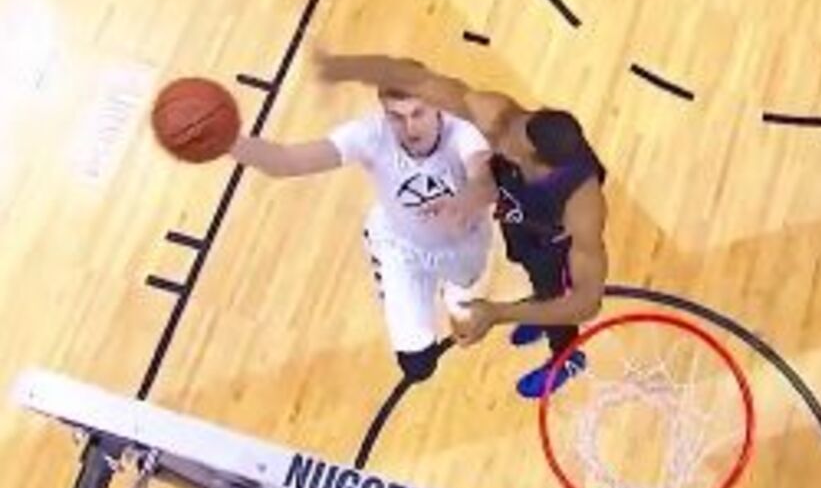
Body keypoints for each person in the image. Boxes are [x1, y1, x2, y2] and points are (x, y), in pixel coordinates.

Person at [315, 50, 607, 398]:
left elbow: (587, 302)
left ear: (541, 165)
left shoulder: (583, 203)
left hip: (553, 241)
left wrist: (498, 313)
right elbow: (418, 81)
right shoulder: (501, 118)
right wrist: (343, 67)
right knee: (528, 269)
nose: (502, 142)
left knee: (554, 289)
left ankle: (567, 357)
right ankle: (540, 311)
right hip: (518, 220)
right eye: (512, 131)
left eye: (513, 146)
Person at [229, 86, 495, 386]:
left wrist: (463, 202)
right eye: (396, 116)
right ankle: (415, 290)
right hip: (401, 246)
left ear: (437, 106)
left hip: (463, 246)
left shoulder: (464, 134)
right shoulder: (369, 134)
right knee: (417, 365)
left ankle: (455, 293)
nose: (410, 128)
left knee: (465, 320)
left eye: (417, 113)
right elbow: (287, 161)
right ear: (384, 111)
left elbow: (485, 183)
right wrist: (226, 141)